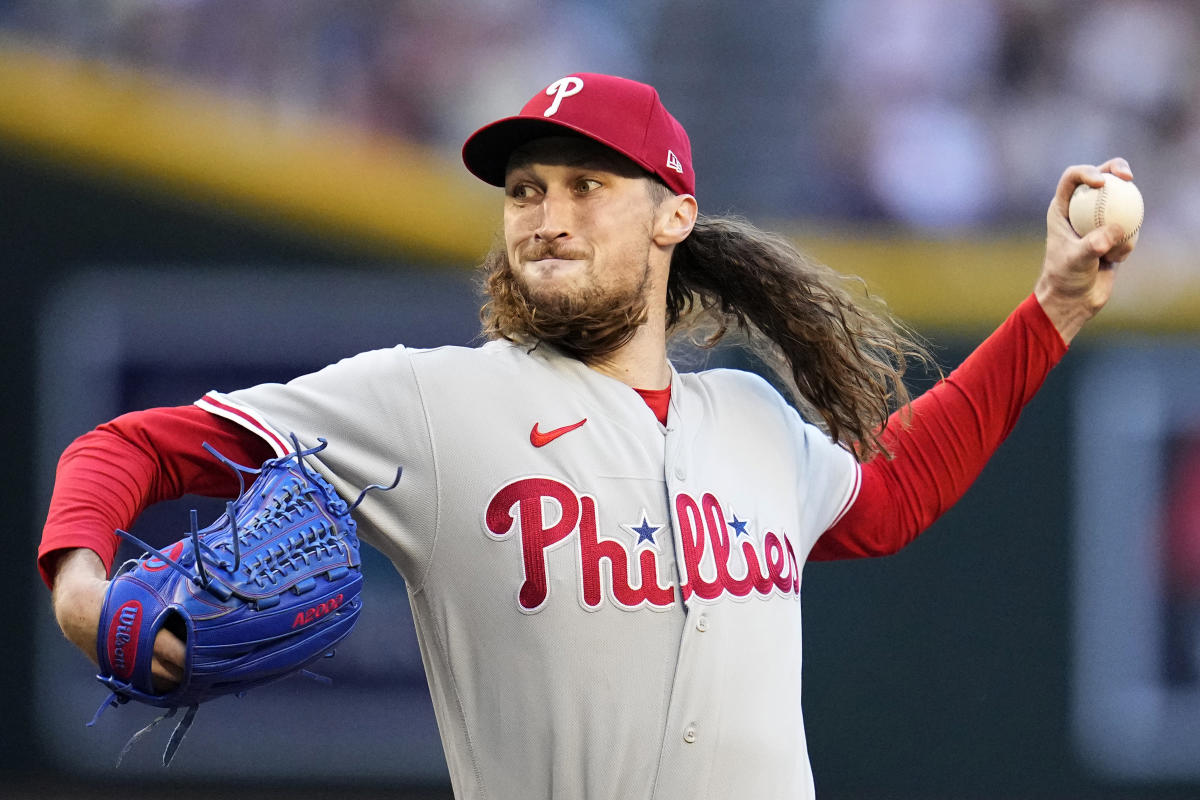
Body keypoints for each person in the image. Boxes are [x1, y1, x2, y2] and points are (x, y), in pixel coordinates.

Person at [40, 73, 1137, 799]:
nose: (544, 214)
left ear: (672, 215)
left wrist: (1054, 308)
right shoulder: (427, 402)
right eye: (524, 189)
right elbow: (128, 448)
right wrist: (84, 586)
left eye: (583, 185)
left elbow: (895, 492)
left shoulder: (750, 417)